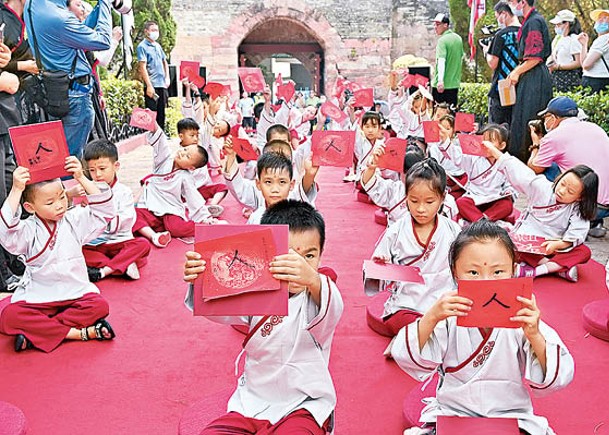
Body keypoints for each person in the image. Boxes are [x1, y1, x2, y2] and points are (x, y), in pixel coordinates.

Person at [392, 219, 574, 435]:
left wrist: (534, 334)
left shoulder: (521, 318)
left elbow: (559, 374)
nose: (486, 281)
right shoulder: (450, 315)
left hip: (510, 412)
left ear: (514, 270)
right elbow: (406, 355)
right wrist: (432, 317)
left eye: (498, 272)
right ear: (455, 271)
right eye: (473, 272)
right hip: (454, 411)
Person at [183, 200, 343, 435]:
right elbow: (216, 307)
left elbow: (333, 308)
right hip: (251, 401)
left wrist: (314, 280)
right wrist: (199, 277)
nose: (296, 266)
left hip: (304, 404)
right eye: (287, 256)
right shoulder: (257, 289)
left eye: (308, 256)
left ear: (321, 256)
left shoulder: (320, 295)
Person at [0, 157, 117, 353]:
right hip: (40, 295)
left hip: (75, 291)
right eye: (50, 202)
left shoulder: (74, 219)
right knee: (8, 316)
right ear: (30, 207)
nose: (60, 205)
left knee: (99, 306)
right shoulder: (28, 230)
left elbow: (104, 211)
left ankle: (39, 332)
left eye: (62, 197)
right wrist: (16, 190)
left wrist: (80, 177)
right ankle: (79, 333)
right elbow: (5, 231)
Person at [368, 159, 461, 336]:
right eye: (414, 200)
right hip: (408, 302)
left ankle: (413, 337)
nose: (420, 209)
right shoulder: (396, 231)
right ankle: (422, 334)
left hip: (442, 298)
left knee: (457, 320)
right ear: (406, 196)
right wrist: (382, 265)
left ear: (442, 198)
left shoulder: (453, 230)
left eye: (429, 202)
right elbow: (377, 271)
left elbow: (464, 266)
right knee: (399, 319)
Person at [487, 141, 597, 282]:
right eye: (563, 184)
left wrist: (559, 244)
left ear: (580, 197)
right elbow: (521, 172)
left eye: (570, 191)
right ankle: (558, 269)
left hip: (555, 244)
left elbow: (577, 232)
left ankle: (534, 271)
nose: (562, 191)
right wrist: (495, 152)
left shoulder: (577, 208)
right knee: (512, 244)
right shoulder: (542, 187)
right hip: (530, 241)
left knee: (584, 252)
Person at [23, 0, 112, 157]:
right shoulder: (60, 18)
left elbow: (78, 32)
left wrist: (98, 7)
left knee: (60, 152)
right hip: (75, 95)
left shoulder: (33, 6)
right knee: (70, 158)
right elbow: (103, 41)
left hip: (55, 89)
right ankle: (67, 181)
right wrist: (105, 4)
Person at [527, 96, 609, 238]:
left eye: (545, 118)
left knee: (549, 168)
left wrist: (536, 144)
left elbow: (534, 168)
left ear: (552, 117)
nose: (545, 122)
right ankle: (595, 223)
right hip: (605, 207)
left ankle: (555, 218)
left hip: (589, 206)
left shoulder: (554, 137)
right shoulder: (596, 128)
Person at [133, 123, 218, 248]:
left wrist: (204, 217)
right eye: (185, 150)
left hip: (169, 208)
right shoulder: (163, 160)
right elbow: (161, 142)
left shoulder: (186, 176)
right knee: (133, 215)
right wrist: (154, 125)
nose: (182, 153)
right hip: (150, 204)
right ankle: (154, 236)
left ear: (191, 167)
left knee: (176, 229)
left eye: (187, 156)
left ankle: (205, 227)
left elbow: (193, 197)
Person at [82, 139, 151, 282]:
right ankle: (123, 265)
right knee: (76, 252)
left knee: (142, 245)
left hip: (119, 243)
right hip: (96, 245)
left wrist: (101, 215)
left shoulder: (124, 192)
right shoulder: (85, 190)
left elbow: (125, 221)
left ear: (116, 166)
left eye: (102, 169)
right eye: (92, 170)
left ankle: (103, 271)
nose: (98, 175)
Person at [506, 0, 552, 161]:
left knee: (529, 119)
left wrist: (517, 71)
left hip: (535, 78)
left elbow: (535, 57)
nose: (510, 4)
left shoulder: (534, 22)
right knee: (520, 120)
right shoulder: (530, 21)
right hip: (530, 75)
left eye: (512, 1)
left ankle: (530, 162)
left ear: (522, 2)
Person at [441, 123, 514, 223]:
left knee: (507, 205)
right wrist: (445, 140)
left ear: (502, 145)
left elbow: (510, 184)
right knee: (461, 202)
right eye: (484, 140)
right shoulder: (474, 158)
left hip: (494, 198)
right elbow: (457, 155)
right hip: (475, 197)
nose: (485, 144)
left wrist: (508, 191)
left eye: (490, 141)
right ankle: (482, 221)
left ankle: (484, 219)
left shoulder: (506, 161)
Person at [177, 117, 228, 216]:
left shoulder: (200, 149)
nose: (195, 139)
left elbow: (208, 129)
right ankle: (188, 205)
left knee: (223, 188)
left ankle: (212, 206)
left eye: (197, 135)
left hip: (201, 189)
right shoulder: (178, 154)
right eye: (192, 135)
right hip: (186, 193)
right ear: (181, 136)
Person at [483, 1, 520, 125]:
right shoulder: (524, 32)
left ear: (504, 14)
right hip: (522, 87)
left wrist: (486, 52)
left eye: (497, 16)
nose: (498, 20)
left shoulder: (501, 35)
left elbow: (493, 63)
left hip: (503, 88)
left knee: (498, 128)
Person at [246, 152, 295, 224]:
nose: (275, 189)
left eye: (282, 182)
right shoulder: (255, 219)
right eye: (268, 182)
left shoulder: (298, 220)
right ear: (258, 184)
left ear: (291, 185)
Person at [137, 21, 169, 129]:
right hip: (152, 84)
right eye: (153, 30)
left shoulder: (158, 46)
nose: (155, 32)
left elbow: (165, 61)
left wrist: (167, 77)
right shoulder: (142, 46)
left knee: (161, 111)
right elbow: (142, 67)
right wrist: (149, 85)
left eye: (157, 30)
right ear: (146, 32)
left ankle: (162, 135)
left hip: (162, 84)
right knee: (151, 112)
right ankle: (152, 136)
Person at [431, 13, 463, 107]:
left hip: (441, 86)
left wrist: (440, 80)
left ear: (445, 25)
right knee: (451, 116)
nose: (435, 27)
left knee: (439, 116)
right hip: (454, 85)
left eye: (437, 24)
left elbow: (441, 60)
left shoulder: (442, 41)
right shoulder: (458, 39)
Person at [547, 10, 583, 92]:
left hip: (569, 78)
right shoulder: (559, 38)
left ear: (566, 24)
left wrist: (559, 67)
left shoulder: (574, 39)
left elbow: (578, 62)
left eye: (558, 24)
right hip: (556, 77)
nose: (556, 27)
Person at [578, 9, 609, 93]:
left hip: (596, 81)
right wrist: (584, 44)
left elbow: (586, 65)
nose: (600, 20)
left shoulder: (604, 39)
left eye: (605, 18)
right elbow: (583, 64)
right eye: (599, 18)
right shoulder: (600, 39)